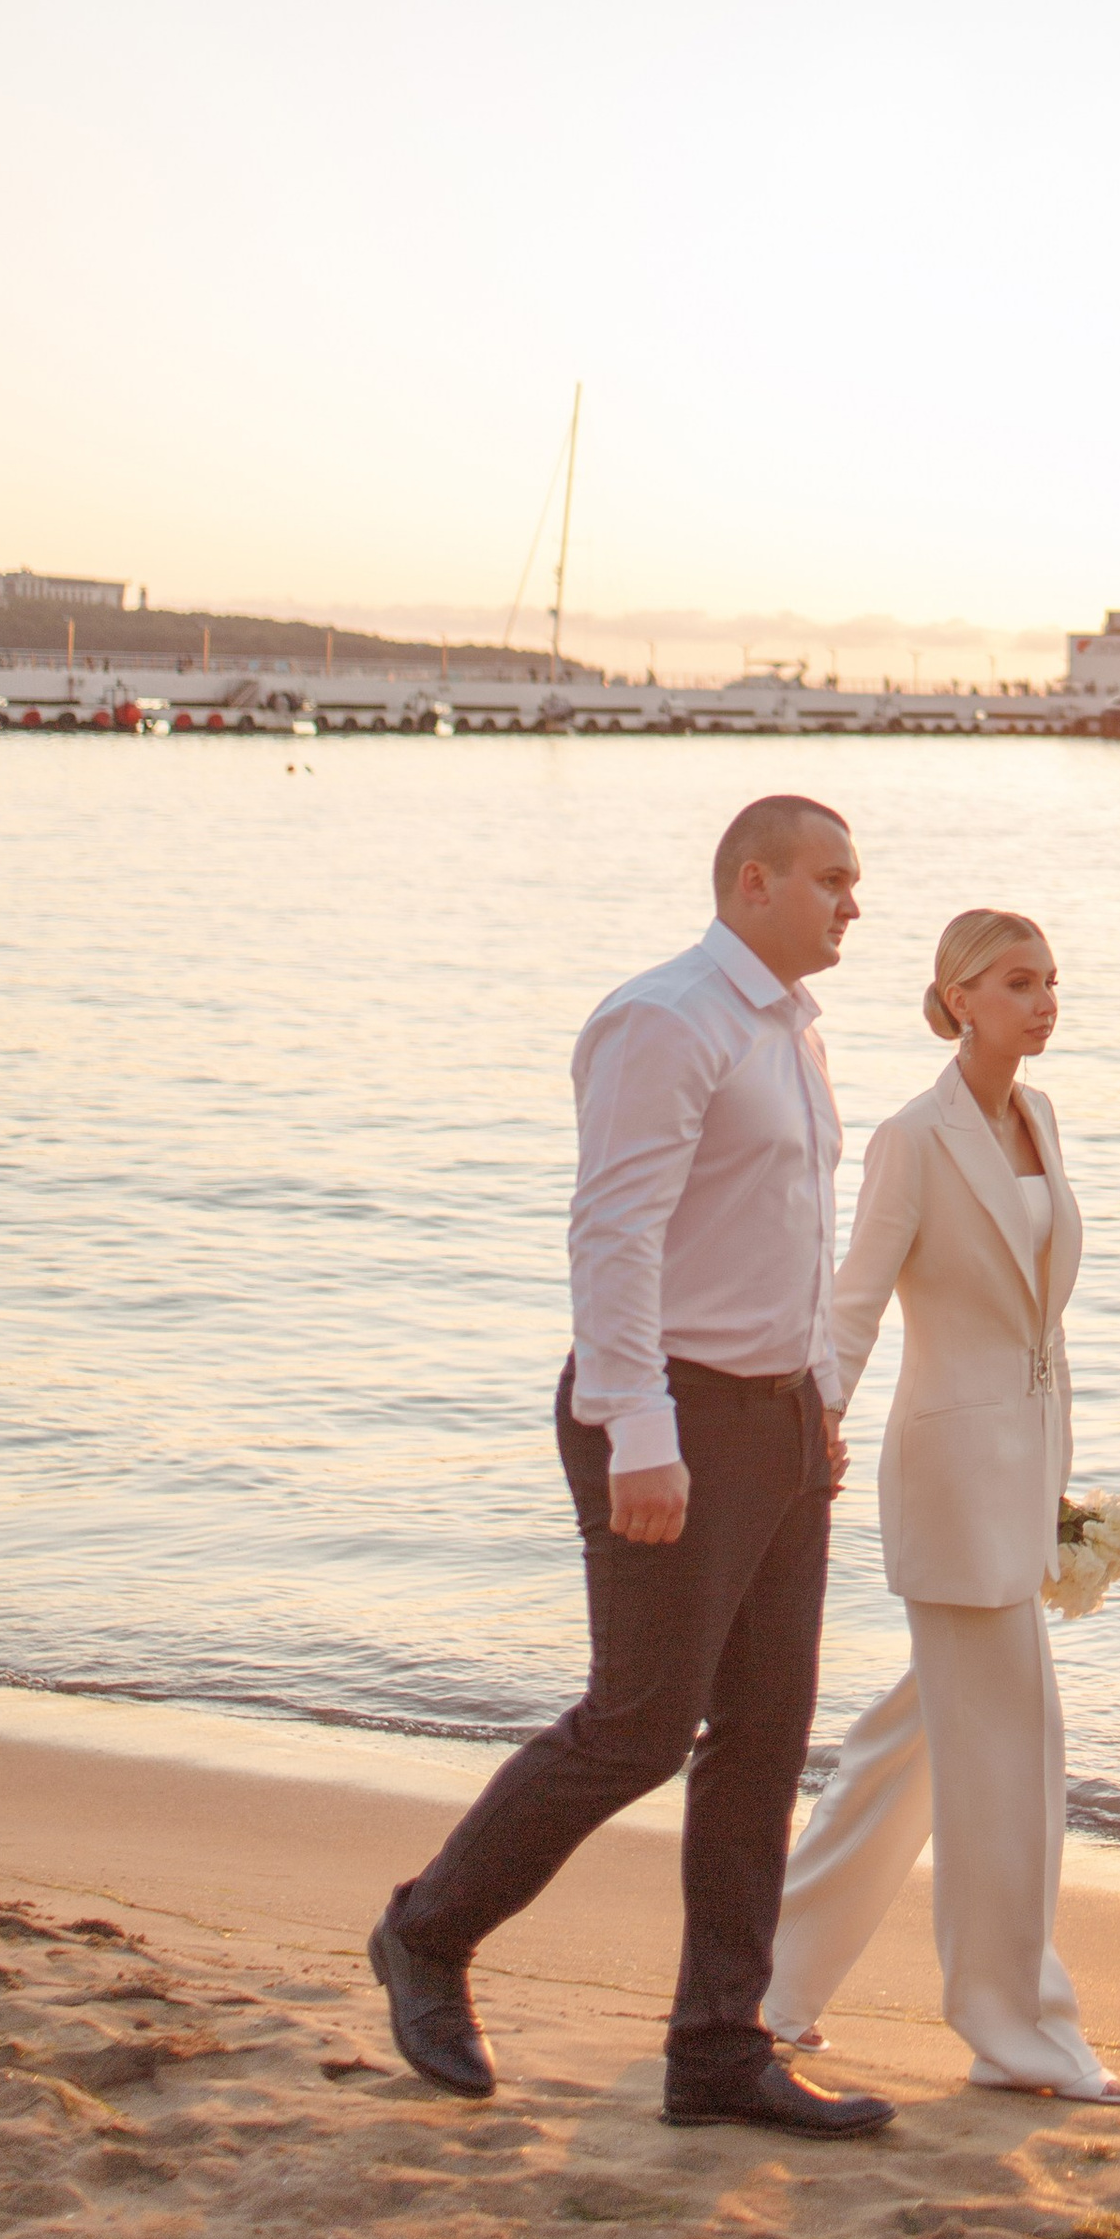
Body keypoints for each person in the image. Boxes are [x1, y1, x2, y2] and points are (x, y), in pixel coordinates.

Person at [367, 795, 894, 2139]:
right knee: (641, 1726)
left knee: (766, 1741)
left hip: (776, 1419)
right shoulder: (666, 1019)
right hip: (668, 1414)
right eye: (833, 880)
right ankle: (428, 1933)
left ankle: (718, 2052)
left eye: (858, 882)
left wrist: (819, 1404)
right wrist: (639, 1431)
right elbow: (616, 1235)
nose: (854, 904)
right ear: (752, 880)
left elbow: (785, 1239)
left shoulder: (795, 1031)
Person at [762, 910, 1120, 2101]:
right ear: (958, 997)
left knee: (908, 1752)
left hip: (1023, 1476)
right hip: (947, 1483)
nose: (1044, 1001)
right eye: (1019, 983)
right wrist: (811, 1425)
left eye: (1052, 981)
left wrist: (1057, 1476)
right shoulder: (911, 1140)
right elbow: (855, 1298)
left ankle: (767, 1983)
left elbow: (1036, 1324)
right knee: (1015, 1756)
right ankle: (1013, 2028)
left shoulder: (1038, 1118)